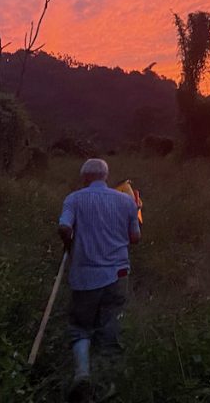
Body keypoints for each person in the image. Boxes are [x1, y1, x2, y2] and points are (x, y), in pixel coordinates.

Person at [58, 158, 141, 399]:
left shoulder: (74, 199)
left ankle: (82, 374)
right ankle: (109, 384)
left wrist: (69, 243)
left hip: (85, 273)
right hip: (117, 273)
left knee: (80, 325)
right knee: (111, 323)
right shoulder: (126, 200)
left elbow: (64, 227)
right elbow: (135, 237)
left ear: (84, 178)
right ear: (106, 176)